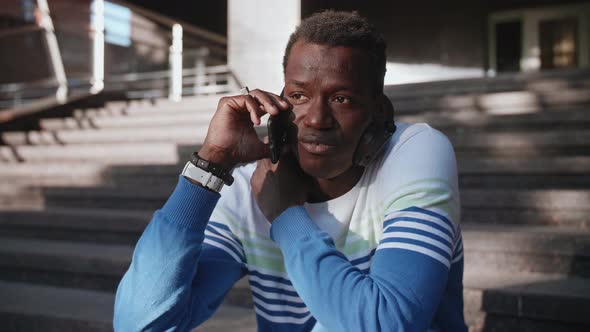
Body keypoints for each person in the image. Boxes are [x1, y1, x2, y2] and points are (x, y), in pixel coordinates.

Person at [114, 10, 467, 332]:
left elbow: (386, 323)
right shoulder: (249, 186)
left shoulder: (415, 151)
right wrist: (210, 164)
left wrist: (286, 215)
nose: (316, 119)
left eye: (341, 98)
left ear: (379, 111)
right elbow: (141, 324)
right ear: (280, 104)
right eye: (299, 96)